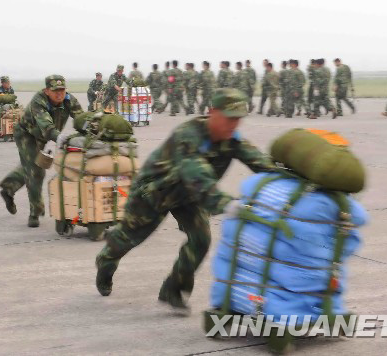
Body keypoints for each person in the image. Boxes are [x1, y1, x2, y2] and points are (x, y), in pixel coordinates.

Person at [95, 88, 273, 310]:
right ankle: (106, 260)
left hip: (189, 197)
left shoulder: (232, 140)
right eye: (229, 118)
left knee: (201, 240)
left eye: (238, 119)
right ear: (212, 112)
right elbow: (197, 176)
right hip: (155, 192)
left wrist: (291, 176)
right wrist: (227, 203)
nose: (233, 124)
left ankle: (174, 289)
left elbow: (261, 162)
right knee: (129, 237)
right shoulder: (188, 135)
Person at [0, 75, 83, 228]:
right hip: (26, 135)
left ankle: (8, 188)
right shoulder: (39, 101)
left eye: (62, 90)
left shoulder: (69, 100)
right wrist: (59, 137)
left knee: (30, 167)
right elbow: (46, 125)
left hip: (43, 137)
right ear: (46, 91)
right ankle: (35, 212)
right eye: (55, 90)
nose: (59, 94)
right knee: (36, 171)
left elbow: (81, 119)